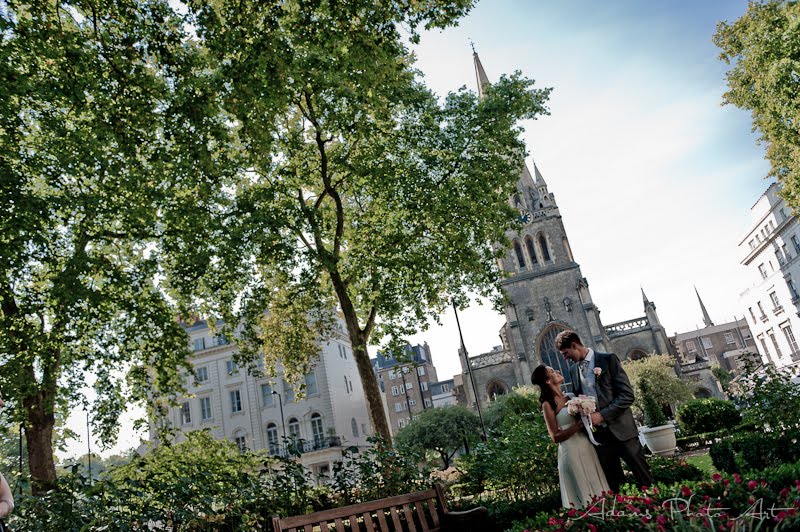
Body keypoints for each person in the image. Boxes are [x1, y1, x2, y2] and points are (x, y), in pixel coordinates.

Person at [555, 329, 654, 493]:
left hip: (622, 431)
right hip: (599, 438)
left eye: (566, 353)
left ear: (574, 345)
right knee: (614, 486)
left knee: (644, 479)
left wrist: (602, 415)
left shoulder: (608, 360)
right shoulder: (573, 371)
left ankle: (659, 512)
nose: (565, 358)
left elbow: (627, 396)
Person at [531, 365, 608, 508]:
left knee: (596, 484)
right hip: (570, 450)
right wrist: (576, 426)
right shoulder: (548, 405)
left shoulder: (571, 397)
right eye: (552, 371)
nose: (558, 371)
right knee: (582, 490)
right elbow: (554, 436)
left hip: (586, 445)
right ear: (547, 381)